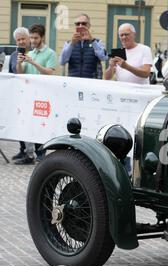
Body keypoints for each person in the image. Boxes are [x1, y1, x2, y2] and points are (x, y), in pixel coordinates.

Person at [16, 24, 57, 164]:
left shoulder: (50, 53)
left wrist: (33, 63)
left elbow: (50, 72)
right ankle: (30, 154)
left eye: (35, 38)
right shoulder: (30, 54)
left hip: (44, 95)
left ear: (42, 37)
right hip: (29, 95)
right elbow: (20, 73)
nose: (32, 40)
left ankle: (41, 155)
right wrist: (19, 63)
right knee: (29, 124)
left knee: (42, 125)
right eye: (31, 37)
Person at [59, 13, 107, 79]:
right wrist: (72, 44)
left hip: (92, 82)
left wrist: (92, 41)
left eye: (84, 23)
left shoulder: (97, 42)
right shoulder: (68, 43)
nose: (80, 26)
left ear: (89, 26)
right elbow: (62, 62)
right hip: (74, 81)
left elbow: (104, 57)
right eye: (77, 24)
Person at [8, 27, 31, 161]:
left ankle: (32, 152)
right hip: (18, 93)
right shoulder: (13, 56)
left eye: (23, 38)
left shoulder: (33, 53)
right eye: (18, 39)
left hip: (31, 92)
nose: (21, 42)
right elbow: (12, 73)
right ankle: (22, 149)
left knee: (29, 122)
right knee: (18, 122)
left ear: (28, 39)